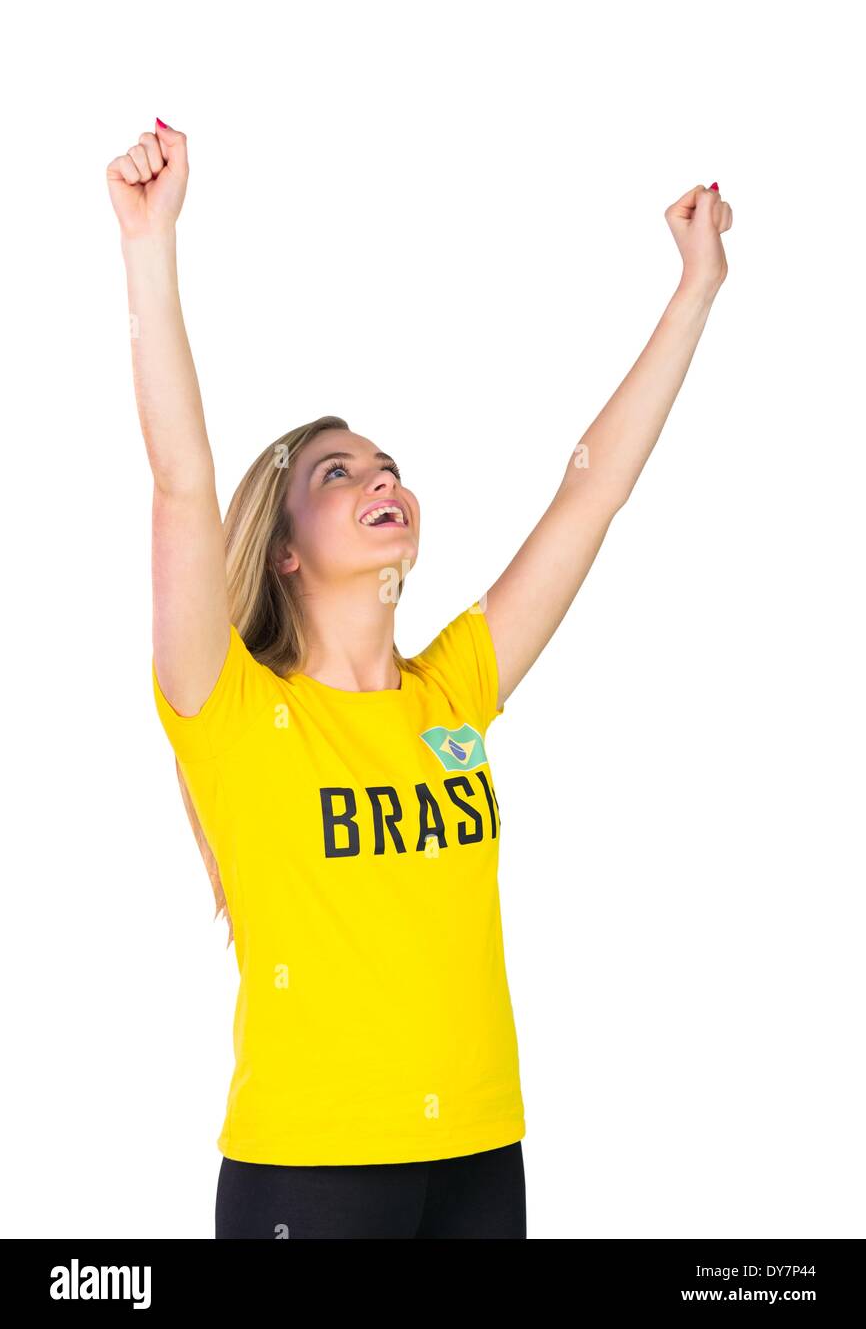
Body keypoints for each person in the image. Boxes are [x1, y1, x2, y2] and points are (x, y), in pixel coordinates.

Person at [107, 119, 732, 1239]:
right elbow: (181, 482)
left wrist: (694, 290)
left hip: (481, 1153)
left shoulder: (451, 693)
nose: (378, 478)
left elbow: (591, 494)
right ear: (283, 551)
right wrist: (149, 243)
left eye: (385, 465)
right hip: (310, 1169)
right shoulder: (232, 705)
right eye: (335, 474)